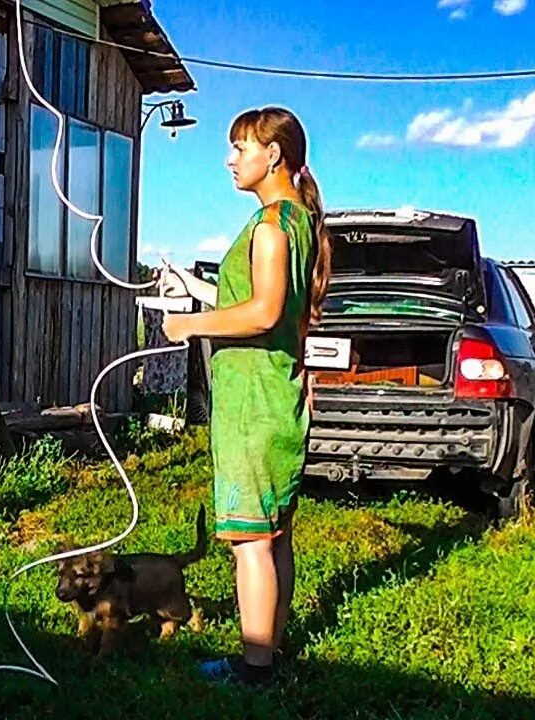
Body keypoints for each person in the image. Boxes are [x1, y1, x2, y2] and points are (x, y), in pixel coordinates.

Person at [157, 106, 331, 685]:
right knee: (275, 533)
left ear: (273, 155)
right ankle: (271, 653)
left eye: (241, 149)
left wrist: (189, 325)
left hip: (252, 403)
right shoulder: (296, 221)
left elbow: (263, 312)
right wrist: (197, 288)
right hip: (275, 398)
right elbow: (266, 299)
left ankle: (254, 666)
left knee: (251, 543)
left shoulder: (270, 227)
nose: (231, 161)